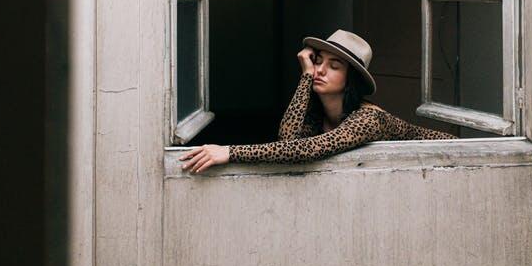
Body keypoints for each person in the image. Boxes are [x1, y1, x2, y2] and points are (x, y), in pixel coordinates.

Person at [179, 29, 457, 173]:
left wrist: (229, 152)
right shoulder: (318, 112)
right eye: (318, 61)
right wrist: (305, 78)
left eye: (334, 66)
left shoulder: (369, 119)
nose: (320, 70)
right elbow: (287, 144)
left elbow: (308, 150)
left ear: (351, 81)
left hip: (449, 162)